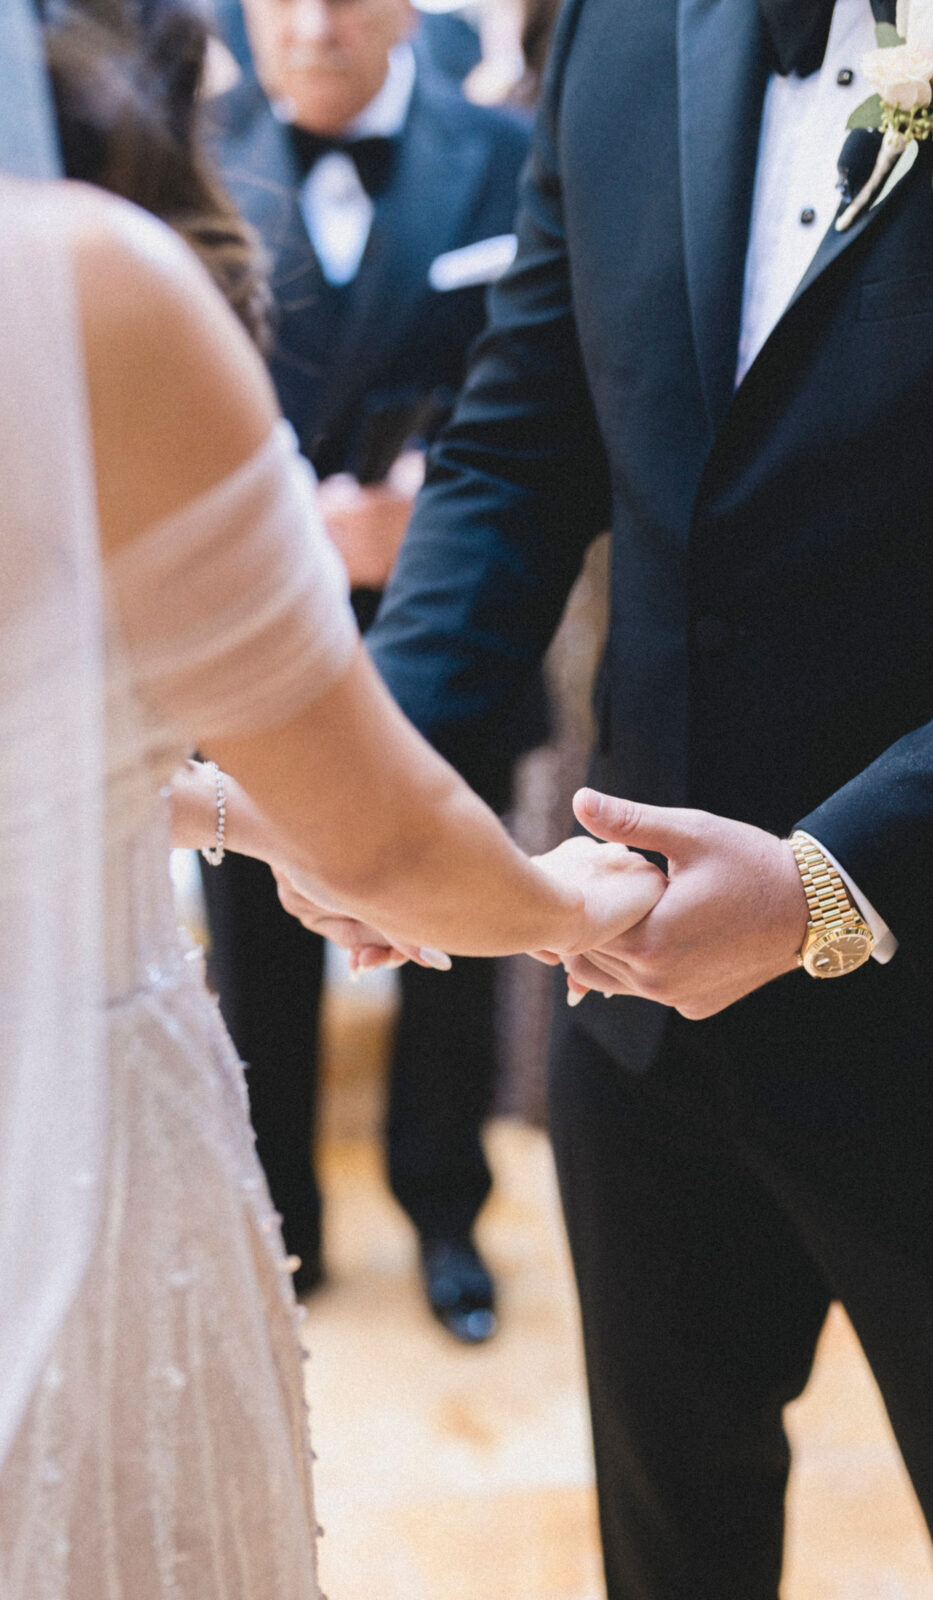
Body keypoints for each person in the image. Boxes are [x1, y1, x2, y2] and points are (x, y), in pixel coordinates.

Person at [363, 0, 933, 1594]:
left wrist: (843, 877)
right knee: (673, 1546)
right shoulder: (618, 30)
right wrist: (384, 785)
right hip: (640, 1009)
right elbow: (517, 441)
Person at [0, 2, 664, 1593]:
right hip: (69, 1115)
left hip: (319, 706)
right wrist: (571, 904)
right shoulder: (85, 273)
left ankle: (441, 1214)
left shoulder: (497, 155)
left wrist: (231, 805)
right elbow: (376, 837)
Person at [199, 0, 536, 1333]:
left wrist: (434, 507)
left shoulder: (506, 156)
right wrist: (301, 525)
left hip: (459, 624)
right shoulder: (184, 157)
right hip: (253, 642)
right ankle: (288, 1222)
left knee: (460, 924)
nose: (312, 21)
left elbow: (548, 384)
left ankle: (447, 1211)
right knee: (257, 934)